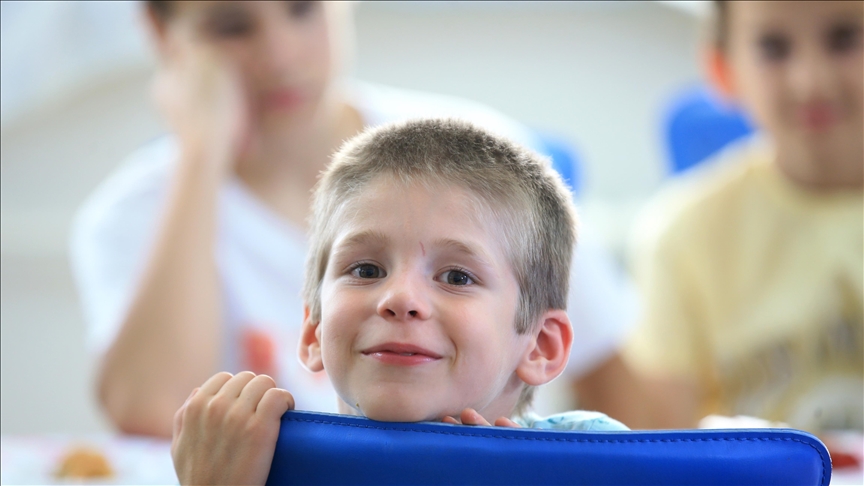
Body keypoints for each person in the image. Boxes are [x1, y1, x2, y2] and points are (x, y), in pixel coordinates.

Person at [70, 0, 637, 437]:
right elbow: (153, 414)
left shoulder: (482, 158)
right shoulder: (128, 216)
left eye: (301, 9)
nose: (280, 55)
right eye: (231, 27)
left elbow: (626, 387)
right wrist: (200, 154)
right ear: (164, 33)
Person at [170, 118, 628, 485]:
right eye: (366, 270)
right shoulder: (248, 460)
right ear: (313, 329)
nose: (400, 298)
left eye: (456, 276)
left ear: (539, 346)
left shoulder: (600, 462)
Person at [620, 0, 862, 432]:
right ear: (722, 68)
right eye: (773, 47)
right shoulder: (680, 235)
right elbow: (665, 444)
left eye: (845, 38)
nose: (812, 81)